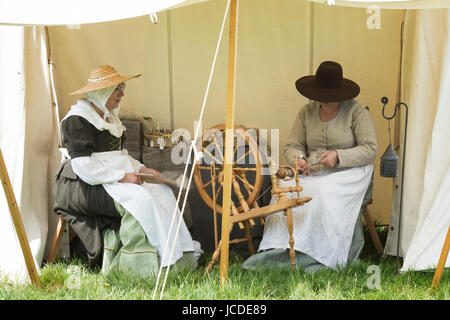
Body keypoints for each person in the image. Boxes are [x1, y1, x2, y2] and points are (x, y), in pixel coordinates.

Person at [53, 65, 200, 277]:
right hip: (81, 186)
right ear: (101, 92)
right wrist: (123, 177)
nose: (122, 93)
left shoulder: (110, 117)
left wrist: (142, 169)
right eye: (117, 88)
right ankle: (151, 264)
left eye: (122, 87)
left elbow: (121, 157)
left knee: (164, 193)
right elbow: (83, 166)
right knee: (141, 198)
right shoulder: (77, 120)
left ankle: (181, 254)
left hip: (109, 178)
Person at [243, 61, 377, 273]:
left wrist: (338, 156)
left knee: (321, 192)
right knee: (283, 192)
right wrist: (298, 159)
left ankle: (320, 254)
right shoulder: (307, 112)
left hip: (351, 172)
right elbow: (293, 145)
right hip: (313, 170)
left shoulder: (357, 111)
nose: (323, 98)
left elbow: (370, 149)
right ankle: (278, 250)